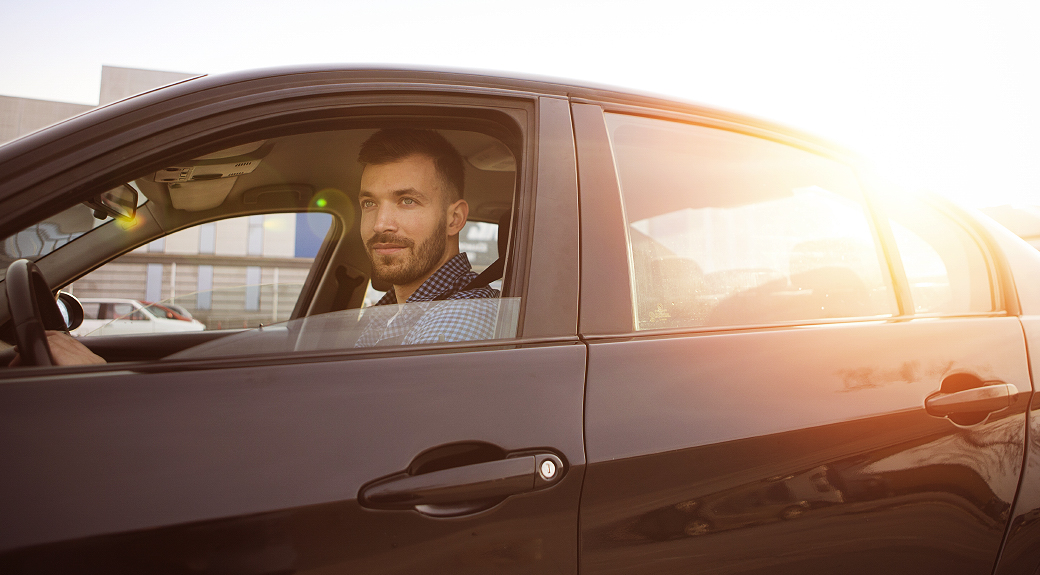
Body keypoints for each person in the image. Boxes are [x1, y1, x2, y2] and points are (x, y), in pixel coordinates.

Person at [352, 128, 500, 347]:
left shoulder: (461, 317)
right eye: (370, 203)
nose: (380, 224)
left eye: (407, 201)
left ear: (454, 219)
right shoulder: (387, 311)